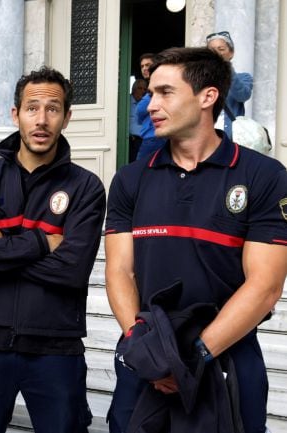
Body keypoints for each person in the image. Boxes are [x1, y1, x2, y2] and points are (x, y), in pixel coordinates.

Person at [104, 47, 287, 433]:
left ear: (207, 97)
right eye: (151, 93)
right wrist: (144, 348)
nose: (151, 105)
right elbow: (120, 270)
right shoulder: (130, 179)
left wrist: (194, 354)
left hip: (227, 355)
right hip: (147, 355)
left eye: (165, 92)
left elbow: (265, 286)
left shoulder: (264, 176)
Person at [0, 67, 105, 433]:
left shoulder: (86, 188)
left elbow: (72, 269)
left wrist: (0, 248)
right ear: (15, 114)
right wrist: (40, 243)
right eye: (32, 107)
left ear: (67, 117)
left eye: (52, 109)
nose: (41, 119)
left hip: (57, 349)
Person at [206, 31, 253, 139]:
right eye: (211, 50)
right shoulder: (199, 78)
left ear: (231, 53)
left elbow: (243, 96)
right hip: (206, 134)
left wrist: (227, 69)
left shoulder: (243, 77)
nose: (216, 53)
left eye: (221, 49)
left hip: (230, 134)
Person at [135, 53, 166, 159]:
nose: (144, 68)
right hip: (154, 137)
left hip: (154, 137)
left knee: (139, 171)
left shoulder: (158, 85)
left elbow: (140, 110)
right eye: (142, 66)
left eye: (148, 65)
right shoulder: (151, 85)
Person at [128, 79, 148, 162]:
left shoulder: (146, 104)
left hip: (143, 141)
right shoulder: (125, 101)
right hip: (129, 141)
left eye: (145, 89)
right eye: (140, 88)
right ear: (134, 89)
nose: (143, 91)